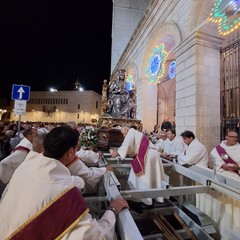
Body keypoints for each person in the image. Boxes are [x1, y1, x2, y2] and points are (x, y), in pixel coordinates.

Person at [0, 126, 128, 240]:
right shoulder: (65, 193)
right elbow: (95, 236)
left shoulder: (27, 165)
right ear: (71, 151)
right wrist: (112, 210)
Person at [111, 125, 165, 205]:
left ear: (126, 129)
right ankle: (153, 199)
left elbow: (127, 144)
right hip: (153, 154)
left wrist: (117, 153)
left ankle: (143, 201)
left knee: (142, 179)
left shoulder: (131, 133)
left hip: (147, 156)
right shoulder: (137, 133)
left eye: (123, 133)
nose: (123, 135)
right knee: (154, 178)